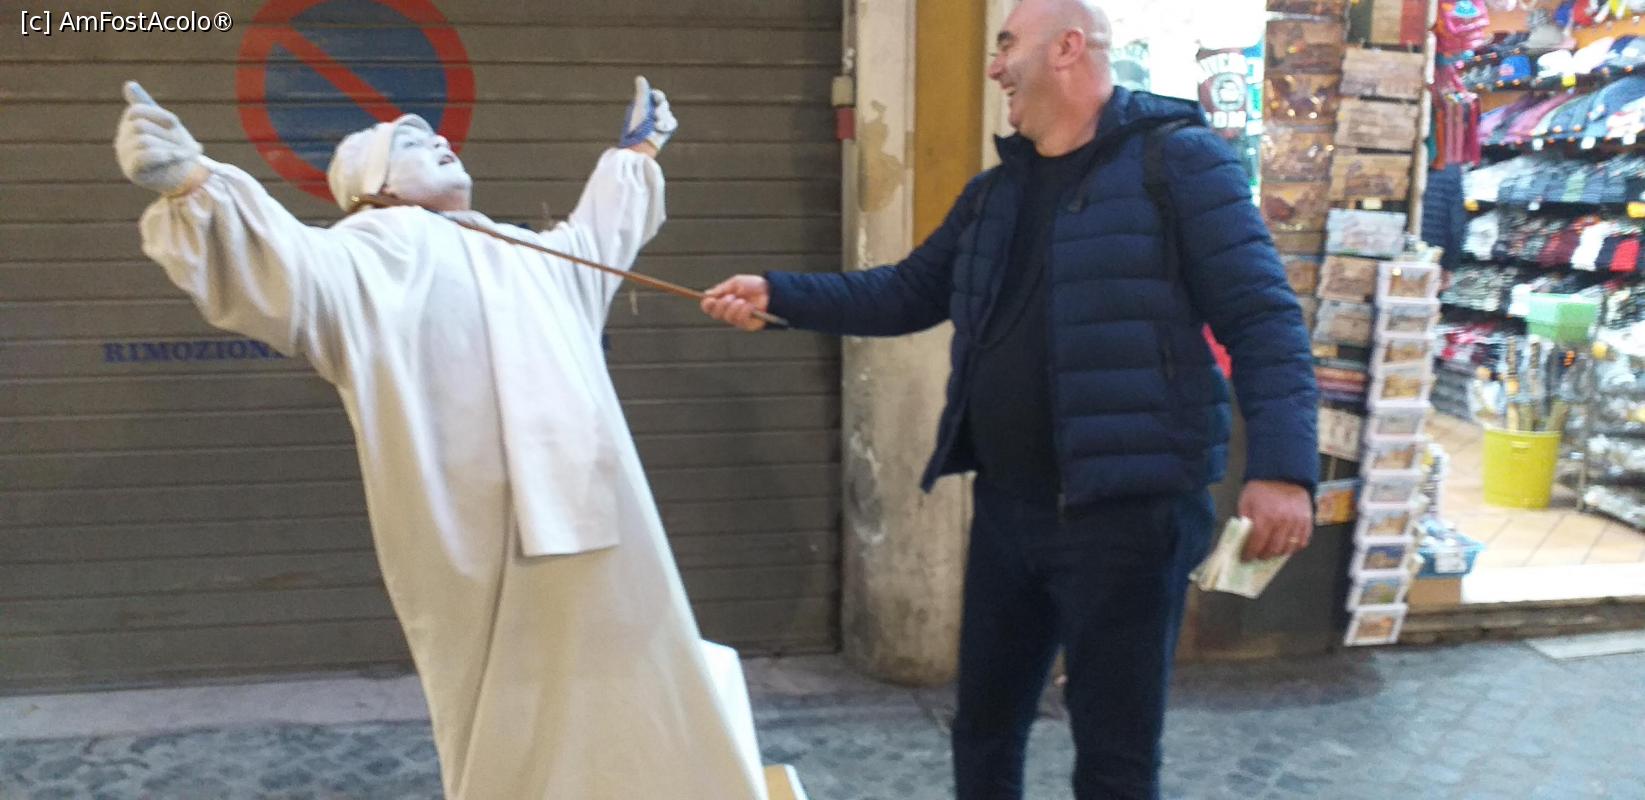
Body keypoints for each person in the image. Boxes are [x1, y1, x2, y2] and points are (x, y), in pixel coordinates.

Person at [699, 1, 1319, 798]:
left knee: (1114, 751)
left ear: (1067, 48)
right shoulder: (995, 194)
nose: (993, 68)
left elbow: (1262, 317)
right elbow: (905, 292)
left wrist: (1282, 470)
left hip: (1129, 518)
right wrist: (779, 295)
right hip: (1009, 508)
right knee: (983, 725)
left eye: (1005, 46)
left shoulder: (1180, 163)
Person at [115, 77, 769, 800]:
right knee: (506, 709)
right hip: (474, 536)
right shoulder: (363, 257)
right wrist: (194, 184)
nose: (442, 140)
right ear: (372, 186)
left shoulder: (526, 252)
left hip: (595, 516)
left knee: (633, 675)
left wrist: (636, 151)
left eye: (436, 134)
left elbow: (600, 235)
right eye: (412, 141)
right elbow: (284, 265)